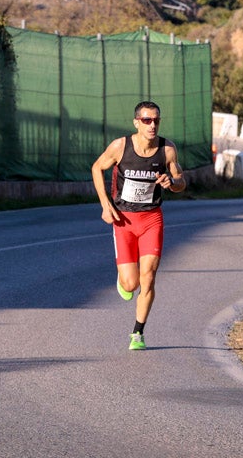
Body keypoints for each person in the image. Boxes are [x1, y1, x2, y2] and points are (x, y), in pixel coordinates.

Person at [91, 100, 187, 350]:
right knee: (131, 284)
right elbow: (96, 168)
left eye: (156, 120)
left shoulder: (167, 150)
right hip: (123, 220)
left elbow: (180, 181)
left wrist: (172, 183)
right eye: (146, 120)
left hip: (151, 219)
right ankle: (124, 281)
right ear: (137, 123)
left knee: (149, 276)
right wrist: (105, 204)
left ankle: (138, 333)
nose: (152, 125)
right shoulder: (120, 146)